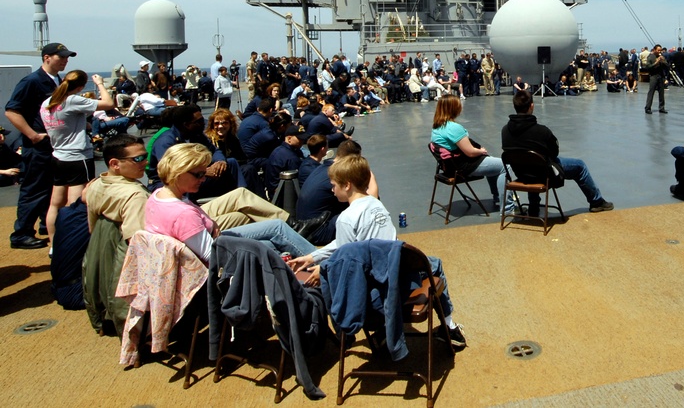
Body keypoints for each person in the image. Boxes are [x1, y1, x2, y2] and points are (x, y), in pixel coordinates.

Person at [289, 154, 467, 348]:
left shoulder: (346, 219)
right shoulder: (376, 205)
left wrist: (321, 269)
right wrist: (312, 256)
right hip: (398, 275)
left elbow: (344, 261)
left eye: (334, 185)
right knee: (434, 264)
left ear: (347, 185)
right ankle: (449, 326)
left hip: (376, 295)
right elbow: (346, 246)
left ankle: (360, 332)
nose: (332, 190)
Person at [144, 143, 317, 264]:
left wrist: (212, 225)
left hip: (211, 237)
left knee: (275, 231)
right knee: (275, 237)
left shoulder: (158, 195)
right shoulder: (183, 214)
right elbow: (211, 255)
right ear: (178, 173)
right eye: (198, 175)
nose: (203, 179)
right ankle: (322, 263)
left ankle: (317, 260)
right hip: (217, 248)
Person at [6, 42, 75, 249]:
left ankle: (47, 222)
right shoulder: (32, 81)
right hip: (38, 146)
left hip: (53, 144)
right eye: (60, 57)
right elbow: (12, 110)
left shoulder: (56, 81)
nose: (65, 60)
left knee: (50, 186)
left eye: (66, 57)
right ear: (47, 57)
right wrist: (32, 135)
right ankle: (22, 233)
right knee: (34, 189)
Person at [501, 90, 613, 213]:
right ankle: (596, 202)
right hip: (545, 175)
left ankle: (534, 208)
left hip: (521, 173)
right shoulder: (542, 131)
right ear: (531, 105)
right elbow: (554, 152)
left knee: (529, 163)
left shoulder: (505, 131)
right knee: (580, 166)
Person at [39, 70, 115, 249]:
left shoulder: (47, 103)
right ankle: (74, 244)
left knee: (55, 204)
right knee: (76, 204)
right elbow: (109, 103)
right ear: (80, 86)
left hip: (58, 155)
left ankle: (54, 245)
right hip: (77, 157)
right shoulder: (72, 100)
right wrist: (100, 84)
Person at [430, 95, 503, 206]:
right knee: (505, 165)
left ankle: (497, 196)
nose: (461, 108)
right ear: (453, 108)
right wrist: (481, 151)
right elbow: (470, 152)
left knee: (492, 163)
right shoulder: (454, 128)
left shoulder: (437, 127)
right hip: (463, 167)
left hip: (450, 167)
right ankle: (507, 205)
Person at [643, 44, 669, 114]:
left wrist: (664, 62)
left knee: (661, 92)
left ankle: (661, 107)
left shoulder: (661, 57)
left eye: (660, 50)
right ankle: (648, 108)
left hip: (660, 76)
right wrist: (656, 63)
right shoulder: (650, 57)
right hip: (653, 76)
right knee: (651, 92)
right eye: (658, 50)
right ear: (654, 50)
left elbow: (667, 67)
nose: (659, 52)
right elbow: (648, 67)